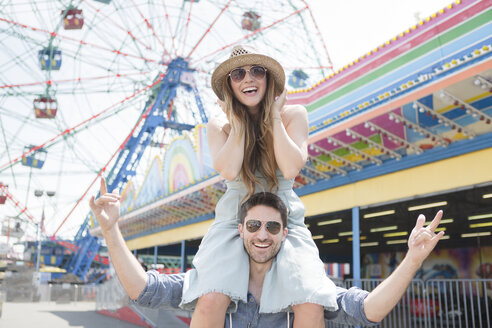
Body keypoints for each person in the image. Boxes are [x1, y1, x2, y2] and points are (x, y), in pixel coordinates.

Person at [89, 184, 445, 327]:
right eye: (254, 225)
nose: (263, 234)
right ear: (240, 229)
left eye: (272, 227)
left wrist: (413, 258)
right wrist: (111, 230)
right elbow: (143, 290)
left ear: (285, 233)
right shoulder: (213, 284)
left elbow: (368, 310)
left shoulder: (304, 287)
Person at [182, 44, 336, 328]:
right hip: (234, 219)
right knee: (211, 299)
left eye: (257, 71)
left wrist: (274, 116)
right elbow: (228, 169)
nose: (248, 79)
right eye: (238, 74)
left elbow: (290, 167)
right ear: (229, 85)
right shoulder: (219, 125)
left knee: (311, 301)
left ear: (269, 79)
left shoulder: (294, 115)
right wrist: (238, 122)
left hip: (283, 218)